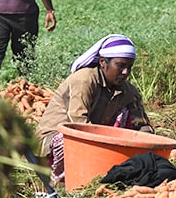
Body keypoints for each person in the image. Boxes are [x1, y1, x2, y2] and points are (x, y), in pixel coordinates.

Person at [36, 34, 154, 186]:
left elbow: (142, 123)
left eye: (129, 67)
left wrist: (148, 146)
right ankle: (60, 182)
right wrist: (105, 150)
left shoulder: (128, 91)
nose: (125, 72)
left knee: (127, 115)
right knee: (63, 140)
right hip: (56, 138)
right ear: (103, 62)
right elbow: (78, 123)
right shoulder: (84, 80)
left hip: (94, 138)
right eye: (121, 66)